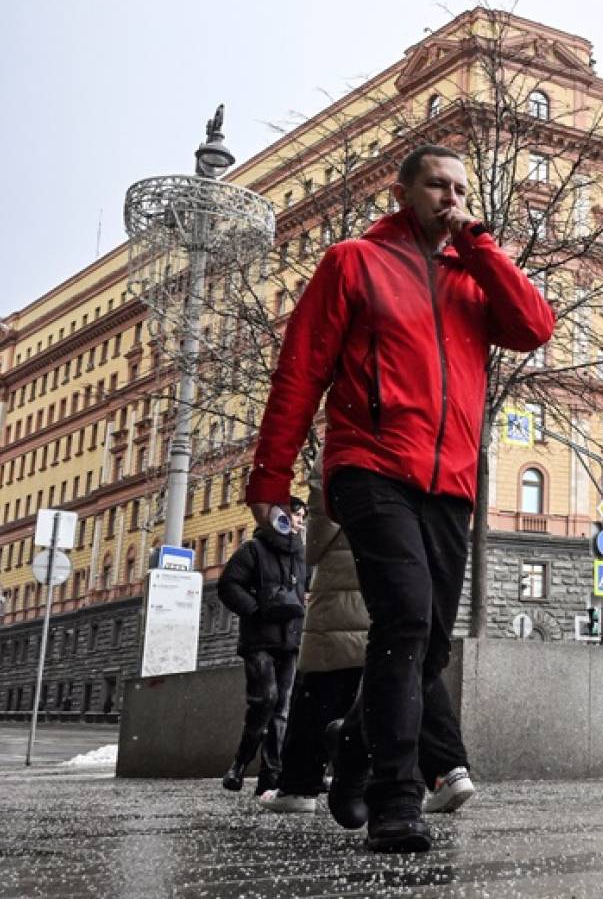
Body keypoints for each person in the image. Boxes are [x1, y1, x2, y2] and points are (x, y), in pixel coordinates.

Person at [244, 143, 555, 852]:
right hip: (371, 466)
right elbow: (300, 370)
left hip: (451, 482)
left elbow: (535, 326)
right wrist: (270, 476)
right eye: (438, 186)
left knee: (428, 641)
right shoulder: (353, 262)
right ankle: (396, 795)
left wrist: (480, 245)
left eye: (461, 189)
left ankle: (351, 742)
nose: (452, 198)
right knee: (407, 617)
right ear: (403, 192)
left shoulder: (473, 277)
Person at [258, 464, 476, 816]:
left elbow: (317, 543)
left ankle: (299, 783)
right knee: (412, 667)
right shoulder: (418, 453)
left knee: (324, 685)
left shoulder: (342, 456)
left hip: (350, 587)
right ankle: (449, 769)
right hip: (404, 577)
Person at [217, 497, 308, 796]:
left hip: (291, 639)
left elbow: (308, 587)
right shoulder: (253, 550)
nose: (300, 521)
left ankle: (271, 775)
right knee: (265, 700)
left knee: (282, 707)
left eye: (303, 517)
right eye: (297, 515)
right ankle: (240, 763)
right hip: (259, 640)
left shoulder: (301, 554)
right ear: (280, 517)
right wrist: (256, 610)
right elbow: (228, 585)